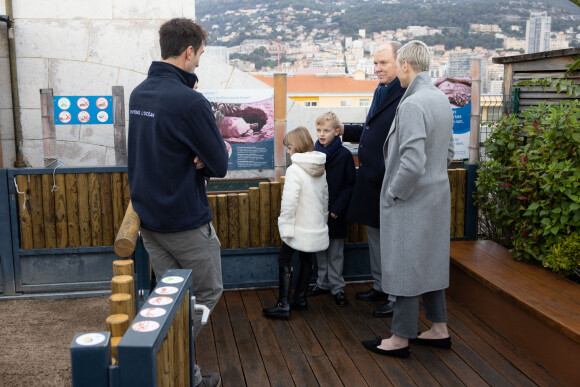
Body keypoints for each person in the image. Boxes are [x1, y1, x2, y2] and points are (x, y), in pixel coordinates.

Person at [127, 18, 227, 387]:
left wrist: (191, 152)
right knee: (206, 293)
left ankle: (189, 375)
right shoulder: (190, 101)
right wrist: (198, 155)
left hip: (149, 221)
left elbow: (153, 149)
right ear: (188, 52)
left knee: (169, 298)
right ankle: (158, 353)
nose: (198, 61)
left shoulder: (140, 94)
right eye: (199, 55)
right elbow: (220, 164)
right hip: (186, 222)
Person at [362, 40, 455, 358]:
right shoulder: (440, 98)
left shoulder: (412, 105)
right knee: (428, 261)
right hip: (436, 198)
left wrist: (393, 192)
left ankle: (399, 338)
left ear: (405, 65)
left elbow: (412, 162)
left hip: (410, 200)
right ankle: (439, 328)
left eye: (395, 65)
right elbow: (449, 152)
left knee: (403, 264)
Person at [336, 41, 405, 317]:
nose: (377, 69)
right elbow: (371, 129)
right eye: (375, 63)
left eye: (383, 63)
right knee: (375, 237)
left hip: (389, 181)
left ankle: (395, 295)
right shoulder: (381, 89)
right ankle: (380, 285)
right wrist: (345, 130)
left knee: (391, 242)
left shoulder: (406, 93)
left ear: (401, 63)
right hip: (371, 181)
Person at [262, 127, 329, 318]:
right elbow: (325, 199)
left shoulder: (295, 170)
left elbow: (289, 203)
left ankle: (284, 304)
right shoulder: (320, 168)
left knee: (284, 259)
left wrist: (285, 227)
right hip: (314, 226)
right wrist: (322, 222)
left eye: (290, 147)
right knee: (307, 259)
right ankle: (300, 298)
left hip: (297, 227)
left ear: (298, 146)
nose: (289, 152)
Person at [307, 112, 356, 307]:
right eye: (319, 130)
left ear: (337, 132)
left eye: (326, 130)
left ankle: (337, 287)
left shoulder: (344, 155)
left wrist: (338, 207)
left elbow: (349, 183)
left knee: (335, 251)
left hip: (336, 210)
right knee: (320, 248)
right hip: (317, 210)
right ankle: (322, 282)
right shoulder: (313, 154)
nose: (321, 134)